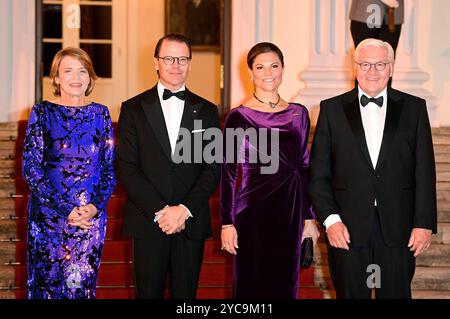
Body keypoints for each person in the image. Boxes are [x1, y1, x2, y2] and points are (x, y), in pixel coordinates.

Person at [309, 38, 437, 299]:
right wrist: (331, 221)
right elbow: (318, 174)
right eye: (365, 64)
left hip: (399, 228)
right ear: (354, 68)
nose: (372, 71)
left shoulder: (414, 108)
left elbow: (424, 170)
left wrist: (424, 223)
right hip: (346, 228)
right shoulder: (331, 110)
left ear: (391, 68)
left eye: (380, 64)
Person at [116, 34, 220, 299]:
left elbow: (213, 168)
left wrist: (183, 210)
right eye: (169, 58)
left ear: (190, 63)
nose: (176, 65)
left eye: (183, 59)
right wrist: (163, 212)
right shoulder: (132, 108)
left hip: (190, 221)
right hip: (149, 220)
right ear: (156, 62)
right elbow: (127, 167)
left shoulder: (207, 110)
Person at [220, 42, 320, 299]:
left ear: (283, 69)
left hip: (290, 212)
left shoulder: (299, 114)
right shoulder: (238, 117)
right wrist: (227, 223)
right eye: (260, 67)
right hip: (252, 212)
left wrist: (309, 218)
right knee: (251, 287)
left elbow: (305, 165)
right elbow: (229, 174)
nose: (268, 72)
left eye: (274, 65)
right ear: (250, 73)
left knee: (285, 286)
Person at [23, 47, 115, 299]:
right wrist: (66, 209)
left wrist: (95, 207)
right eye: (68, 71)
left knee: (80, 289)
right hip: (49, 219)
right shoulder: (42, 113)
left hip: (89, 221)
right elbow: (31, 169)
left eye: (82, 70)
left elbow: (108, 169)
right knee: (49, 289)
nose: (76, 77)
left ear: (90, 77)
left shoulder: (101, 114)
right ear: (56, 78)